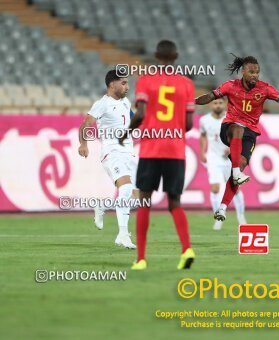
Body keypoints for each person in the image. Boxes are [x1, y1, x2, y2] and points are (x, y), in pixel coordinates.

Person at [195, 54, 279, 221]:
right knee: (237, 129)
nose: (255, 75)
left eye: (257, 72)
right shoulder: (230, 86)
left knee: (241, 164)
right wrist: (193, 101)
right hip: (229, 128)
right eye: (251, 72)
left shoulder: (265, 89)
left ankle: (222, 208)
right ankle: (236, 173)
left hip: (250, 133)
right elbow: (211, 96)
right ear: (243, 72)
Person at [121, 40, 195, 270]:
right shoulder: (186, 84)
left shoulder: (145, 80)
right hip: (175, 150)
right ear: (176, 56)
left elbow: (141, 113)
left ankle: (141, 258)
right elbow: (189, 123)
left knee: (144, 200)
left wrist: (126, 134)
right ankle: (186, 249)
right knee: (174, 202)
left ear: (155, 55)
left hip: (151, 148)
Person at [78, 70, 137, 249]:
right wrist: (83, 144)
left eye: (127, 83)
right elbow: (86, 123)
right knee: (126, 189)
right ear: (112, 84)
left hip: (129, 153)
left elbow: (133, 119)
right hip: (112, 152)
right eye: (123, 83)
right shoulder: (102, 104)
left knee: (136, 197)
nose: (127, 86)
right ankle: (122, 234)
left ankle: (102, 206)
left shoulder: (126, 102)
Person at [199, 97, 247, 230]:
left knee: (235, 188)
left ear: (225, 104)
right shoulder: (204, 120)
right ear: (211, 105)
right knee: (215, 188)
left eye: (220, 102)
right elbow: (203, 135)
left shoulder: (231, 118)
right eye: (215, 103)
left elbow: (241, 136)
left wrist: (233, 147)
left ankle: (241, 216)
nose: (218, 105)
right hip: (213, 158)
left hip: (230, 158)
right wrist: (202, 152)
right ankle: (218, 217)